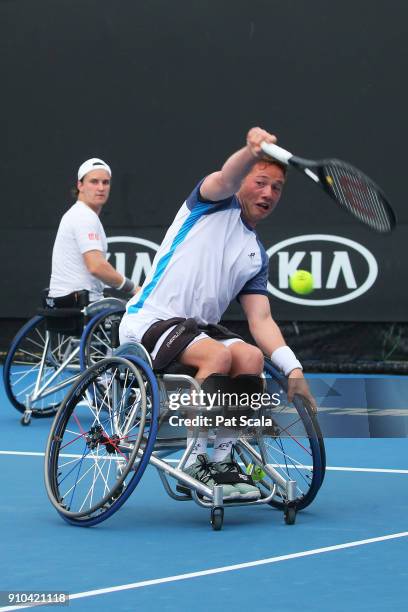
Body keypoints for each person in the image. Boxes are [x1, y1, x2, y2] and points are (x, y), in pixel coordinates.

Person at [119, 127, 316, 500]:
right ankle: (194, 461)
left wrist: (293, 369)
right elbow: (226, 177)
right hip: (148, 322)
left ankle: (222, 461)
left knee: (250, 355)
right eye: (260, 182)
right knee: (219, 353)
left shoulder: (256, 254)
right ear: (244, 181)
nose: (268, 194)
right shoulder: (210, 203)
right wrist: (249, 149)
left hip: (195, 333)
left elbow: (261, 321)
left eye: (276, 188)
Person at [48, 158, 136, 306]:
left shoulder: (79, 213)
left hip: (67, 302)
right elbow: (97, 267)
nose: (101, 188)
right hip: (79, 304)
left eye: (105, 182)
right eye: (94, 182)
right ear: (80, 185)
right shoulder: (84, 215)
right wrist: (134, 289)